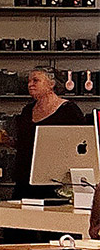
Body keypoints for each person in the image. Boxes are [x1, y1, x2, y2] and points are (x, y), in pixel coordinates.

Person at [7, 66, 86, 195]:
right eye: (29, 81)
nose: (30, 84)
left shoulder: (68, 111)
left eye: (35, 80)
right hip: (25, 177)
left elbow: (80, 144)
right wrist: (9, 141)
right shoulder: (27, 111)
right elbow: (25, 143)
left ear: (51, 84)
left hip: (54, 180)